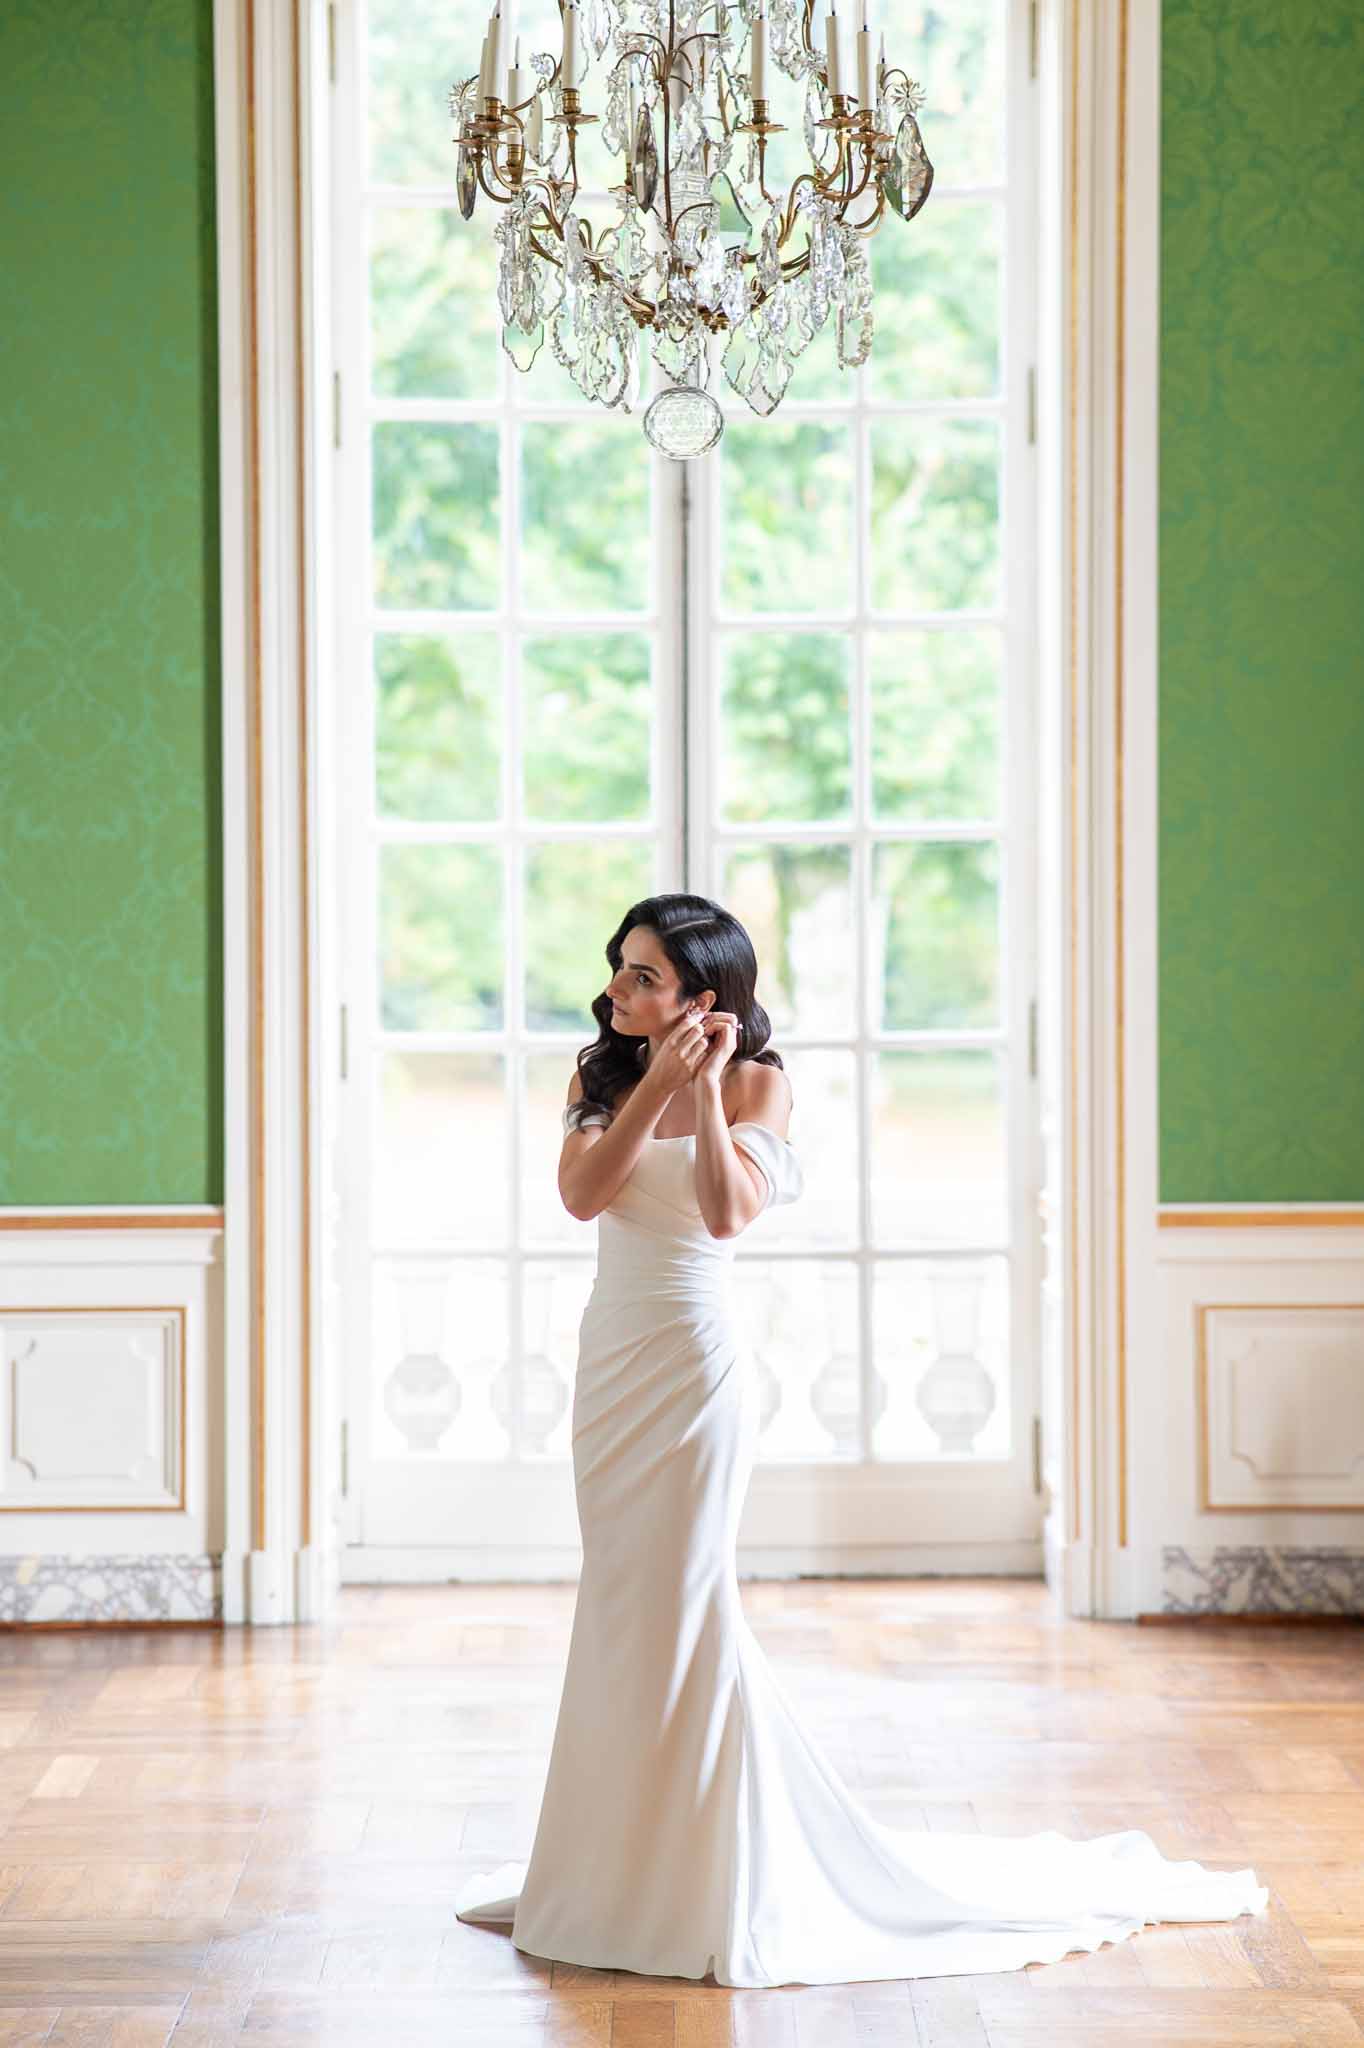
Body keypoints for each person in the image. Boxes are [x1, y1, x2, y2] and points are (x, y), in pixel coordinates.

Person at [454, 892, 1268, 1986]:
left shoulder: (757, 1082)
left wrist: (698, 1085)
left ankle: (702, 1875)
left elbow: (728, 1211)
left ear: (704, 996)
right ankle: (603, 1869)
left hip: (695, 1368)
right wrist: (655, 1081)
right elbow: (582, 1194)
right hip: (612, 1367)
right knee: (618, 1597)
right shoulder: (598, 1076)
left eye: (644, 975)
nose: (617, 989)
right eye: (620, 968)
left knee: (686, 1598)